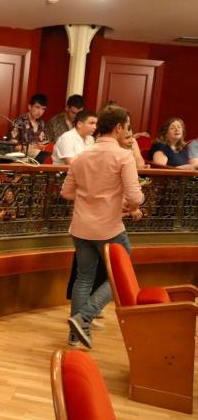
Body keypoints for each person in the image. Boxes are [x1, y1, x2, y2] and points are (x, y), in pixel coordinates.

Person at [60, 104, 144, 349]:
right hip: (108, 228)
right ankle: (84, 316)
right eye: (126, 128)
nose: (127, 132)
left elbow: (66, 192)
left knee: (83, 278)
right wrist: (128, 202)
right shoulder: (123, 156)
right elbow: (135, 197)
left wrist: (92, 196)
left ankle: (75, 336)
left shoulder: (82, 155)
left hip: (81, 226)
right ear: (118, 127)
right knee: (120, 275)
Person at [10, 93, 48, 160]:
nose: (40, 112)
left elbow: (44, 143)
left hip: (38, 158)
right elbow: (13, 146)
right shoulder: (19, 122)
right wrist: (34, 146)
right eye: (37, 107)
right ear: (30, 107)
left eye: (43, 109)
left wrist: (44, 146)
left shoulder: (42, 123)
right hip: (21, 158)